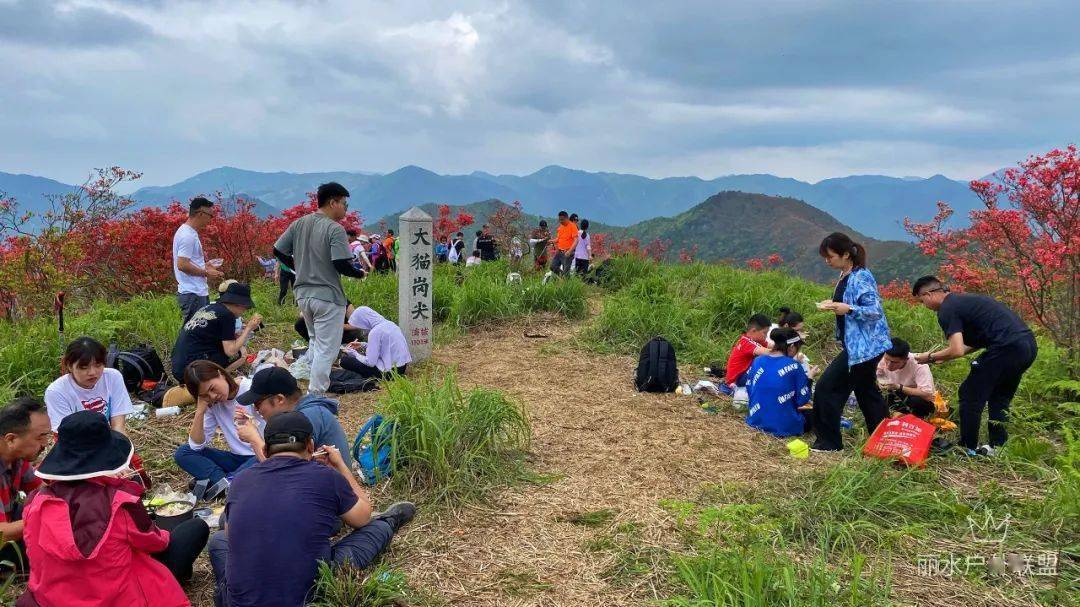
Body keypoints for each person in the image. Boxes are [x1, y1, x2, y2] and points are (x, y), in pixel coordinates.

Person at [208, 412, 415, 607]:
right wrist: (341, 467)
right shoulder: (327, 476)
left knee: (218, 540)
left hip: (237, 602)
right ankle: (389, 521)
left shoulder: (241, 481)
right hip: (310, 596)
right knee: (375, 528)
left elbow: (231, 535)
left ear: (264, 450)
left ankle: (227, 589)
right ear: (310, 445)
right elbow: (362, 517)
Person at [21, 410, 209, 607]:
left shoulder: (36, 502)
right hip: (117, 598)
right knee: (193, 529)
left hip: (53, 599)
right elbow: (157, 543)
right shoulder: (119, 502)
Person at [911, 276, 1038, 455]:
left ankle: (967, 448)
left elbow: (956, 349)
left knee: (969, 394)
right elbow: (975, 343)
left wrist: (930, 357)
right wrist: (943, 357)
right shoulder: (963, 301)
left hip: (1006, 348)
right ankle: (997, 446)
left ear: (928, 294)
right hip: (1027, 345)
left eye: (922, 301)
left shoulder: (946, 309)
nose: (924, 305)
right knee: (999, 396)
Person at [274, 182, 366, 395]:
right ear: (333, 202)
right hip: (327, 296)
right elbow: (341, 263)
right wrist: (359, 273)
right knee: (327, 349)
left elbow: (277, 250)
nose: (346, 209)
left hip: (303, 295)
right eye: (344, 204)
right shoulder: (334, 228)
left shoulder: (299, 223)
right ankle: (315, 395)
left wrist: (297, 267)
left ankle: (311, 382)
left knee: (316, 340)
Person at [812, 232, 892, 452]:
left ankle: (828, 443)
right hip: (860, 345)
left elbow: (874, 311)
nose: (827, 261)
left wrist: (848, 309)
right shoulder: (846, 274)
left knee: (827, 387)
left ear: (846, 254)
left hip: (866, 347)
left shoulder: (861, 276)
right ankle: (884, 442)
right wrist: (835, 305)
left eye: (830, 256)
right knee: (866, 392)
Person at [173, 361, 264, 501]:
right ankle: (225, 481)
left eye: (212, 388)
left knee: (258, 462)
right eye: (205, 395)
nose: (213, 396)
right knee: (183, 452)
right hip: (237, 458)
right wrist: (200, 410)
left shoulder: (251, 389)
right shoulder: (213, 404)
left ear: (220, 373)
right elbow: (196, 446)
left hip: (262, 454)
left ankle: (225, 483)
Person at [234, 367, 352, 468]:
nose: (256, 409)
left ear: (279, 399)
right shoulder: (299, 414)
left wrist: (254, 439)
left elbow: (280, 471)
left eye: (257, 403)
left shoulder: (305, 418)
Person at [171, 282, 262, 382]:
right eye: (246, 308)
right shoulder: (227, 315)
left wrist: (239, 334)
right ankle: (217, 379)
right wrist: (248, 328)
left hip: (179, 366)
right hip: (192, 372)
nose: (244, 311)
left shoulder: (209, 308)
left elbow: (212, 335)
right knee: (241, 353)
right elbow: (230, 351)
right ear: (239, 304)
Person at [0, 397, 51, 571]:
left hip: (9, 518)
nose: (45, 444)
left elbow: (40, 489)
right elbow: (1, 534)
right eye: (40, 437)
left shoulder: (17, 457)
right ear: (11, 439)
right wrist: (45, 518)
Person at [45, 337, 135, 433]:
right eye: (84, 367)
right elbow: (66, 433)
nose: (92, 372)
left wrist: (119, 441)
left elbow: (118, 425)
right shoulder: (56, 391)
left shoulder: (112, 377)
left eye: (98, 365)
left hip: (105, 436)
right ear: (69, 366)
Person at [746, 328, 813, 437]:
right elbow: (802, 400)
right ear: (792, 347)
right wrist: (810, 378)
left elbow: (750, 388)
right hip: (783, 427)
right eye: (798, 348)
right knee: (812, 412)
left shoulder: (758, 360)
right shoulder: (795, 366)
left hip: (755, 419)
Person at [173, 197, 224, 324]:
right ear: (201, 214)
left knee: (199, 330)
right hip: (193, 293)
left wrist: (205, 265)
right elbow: (182, 265)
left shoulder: (188, 232)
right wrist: (207, 273)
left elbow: (188, 262)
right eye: (210, 215)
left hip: (195, 292)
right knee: (194, 331)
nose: (210, 219)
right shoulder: (187, 236)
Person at [339, 307, 412, 381]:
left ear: (364, 321)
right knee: (361, 357)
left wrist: (354, 353)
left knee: (345, 361)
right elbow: (384, 347)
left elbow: (370, 363)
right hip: (402, 368)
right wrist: (363, 345)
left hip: (390, 373)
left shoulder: (375, 332)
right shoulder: (391, 324)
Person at [876, 338, 936, 419]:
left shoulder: (919, 365)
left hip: (917, 399)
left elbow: (927, 394)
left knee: (916, 402)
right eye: (887, 359)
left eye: (894, 362)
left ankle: (913, 418)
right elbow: (879, 374)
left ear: (906, 360)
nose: (888, 365)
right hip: (895, 393)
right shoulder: (883, 357)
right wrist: (881, 382)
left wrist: (898, 387)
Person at [724, 314, 772, 389]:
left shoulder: (756, 340)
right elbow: (767, 352)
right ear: (754, 330)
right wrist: (785, 351)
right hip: (737, 380)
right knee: (765, 361)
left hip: (740, 377)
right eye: (765, 333)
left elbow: (773, 346)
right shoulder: (746, 342)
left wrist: (784, 346)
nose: (766, 336)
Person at [765, 309, 817, 378]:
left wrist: (806, 364)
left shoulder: (784, 333)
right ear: (786, 325)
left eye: (801, 330)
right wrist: (796, 362)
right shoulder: (773, 336)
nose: (799, 333)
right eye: (797, 330)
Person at [294, 302, 363, 346]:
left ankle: (342, 346)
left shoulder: (344, 303)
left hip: (342, 332)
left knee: (355, 333)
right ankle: (315, 344)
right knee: (300, 323)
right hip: (324, 331)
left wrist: (338, 325)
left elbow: (356, 325)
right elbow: (302, 314)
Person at [551, 211, 578, 276]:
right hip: (559, 251)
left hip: (567, 253)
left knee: (566, 272)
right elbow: (558, 239)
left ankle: (565, 279)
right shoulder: (561, 227)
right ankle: (562, 277)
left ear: (567, 218)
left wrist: (570, 251)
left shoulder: (573, 226)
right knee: (553, 267)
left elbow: (576, 240)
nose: (561, 221)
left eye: (562, 219)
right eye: (559, 220)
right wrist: (551, 241)